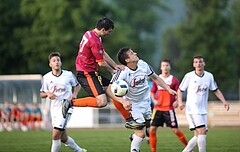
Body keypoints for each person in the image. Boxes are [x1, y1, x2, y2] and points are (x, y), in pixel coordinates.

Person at [62, 17, 138, 129]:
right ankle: (70, 103)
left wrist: (114, 65)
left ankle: (129, 120)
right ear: (103, 29)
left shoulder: (90, 34)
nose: (109, 34)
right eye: (109, 31)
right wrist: (112, 71)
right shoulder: (95, 41)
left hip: (91, 72)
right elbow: (101, 63)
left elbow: (102, 52)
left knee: (112, 89)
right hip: (86, 73)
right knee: (102, 102)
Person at [107, 47, 177, 152]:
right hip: (133, 105)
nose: (135, 53)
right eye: (131, 53)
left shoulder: (143, 64)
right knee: (141, 133)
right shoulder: (122, 72)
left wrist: (168, 88)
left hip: (146, 102)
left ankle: (133, 137)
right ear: (127, 60)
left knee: (146, 125)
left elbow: (156, 78)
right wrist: (123, 101)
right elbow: (109, 90)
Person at [177, 55, 230, 152]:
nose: (198, 64)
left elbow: (215, 90)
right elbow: (180, 90)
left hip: (203, 110)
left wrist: (224, 101)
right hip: (192, 110)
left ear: (204, 63)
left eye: (200, 62)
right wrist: (180, 102)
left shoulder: (209, 76)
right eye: (196, 62)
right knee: (201, 131)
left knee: (200, 134)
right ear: (193, 64)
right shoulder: (189, 76)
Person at [40, 52, 87, 152]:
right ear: (50, 64)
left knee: (56, 134)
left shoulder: (68, 75)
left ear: (60, 63)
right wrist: (48, 94)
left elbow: (77, 85)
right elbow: (41, 94)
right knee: (63, 137)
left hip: (66, 106)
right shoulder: (46, 77)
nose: (56, 62)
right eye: (54, 61)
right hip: (54, 108)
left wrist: (74, 94)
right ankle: (79, 151)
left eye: (58, 60)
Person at [149, 59, 188, 152]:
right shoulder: (157, 79)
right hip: (157, 109)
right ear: (161, 67)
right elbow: (152, 92)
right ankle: (153, 150)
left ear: (169, 67)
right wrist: (154, 100)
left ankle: (188, 147)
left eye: (167, 65)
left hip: (168, 109)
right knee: (152, 129)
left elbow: (179, 92)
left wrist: (177, 101)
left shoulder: (174, 80)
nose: (165, 67)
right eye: (163, 65)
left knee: (175, 130)